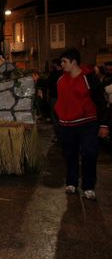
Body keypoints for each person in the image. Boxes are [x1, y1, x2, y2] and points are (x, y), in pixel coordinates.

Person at [54, 48, 109, 200]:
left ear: (73, 62)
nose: (62, 64)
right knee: (69, 154)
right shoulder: (60, 79)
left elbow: (101, 102)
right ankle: (71, 183)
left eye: (64, 61)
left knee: (89, 154)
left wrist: (104, 124)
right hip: (67, 125)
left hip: (87, 124)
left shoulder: (89, 78)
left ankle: (89, 187)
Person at [47, 58, 64, 141]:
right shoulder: (65, 73)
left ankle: (59, 136)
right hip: (63, 98)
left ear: (56, 64)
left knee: (55, 117)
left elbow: (48, 83)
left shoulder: (55, 74)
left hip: (55, 98)